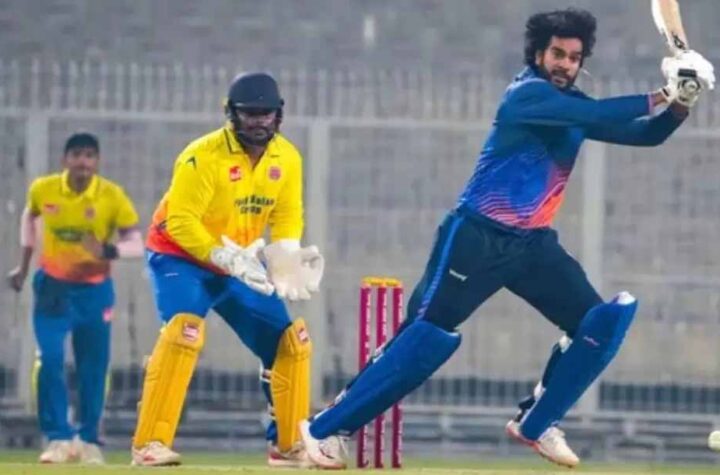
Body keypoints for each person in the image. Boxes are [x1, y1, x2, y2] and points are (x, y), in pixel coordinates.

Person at [298, 8, 716, 470]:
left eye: (574, 57)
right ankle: (324, 430)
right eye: (557, 54)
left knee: (601, 322)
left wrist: (682, 103)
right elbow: (596, 113)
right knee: (427, 340)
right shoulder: (527, 95)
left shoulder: (572, 107)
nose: (565, 64)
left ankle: (537, 422)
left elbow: (645, 136)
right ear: (538, 54)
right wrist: (663, 91)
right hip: (476, 238)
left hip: (532, 246)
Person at [130, 71, 324, 468]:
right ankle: (149, 444)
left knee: (290, 343)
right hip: (179, 256)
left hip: (239, 263)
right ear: (231, 114)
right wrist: (223, 257)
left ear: (278, 115)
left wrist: (285, 254)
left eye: (265, 114)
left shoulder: (287, 157)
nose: (258, 122)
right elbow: (180, 222)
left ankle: (287, 445)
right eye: (249, 113)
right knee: (184, 332)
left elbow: (287, 214)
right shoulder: (201, 156)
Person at [7, 132, 143, 464]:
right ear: (65, 159)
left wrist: (108, 251)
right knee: (50, 359)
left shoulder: (111, 196)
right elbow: (29, 216)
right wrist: (23, 265)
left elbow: (137, 244)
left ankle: (88, 440)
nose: (83, 162)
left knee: (92, 366)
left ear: (97, 162)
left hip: (94, 291)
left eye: (89, 156)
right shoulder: (44, 189)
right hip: (53, 289)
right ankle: (57, 437)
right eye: (77, 155)